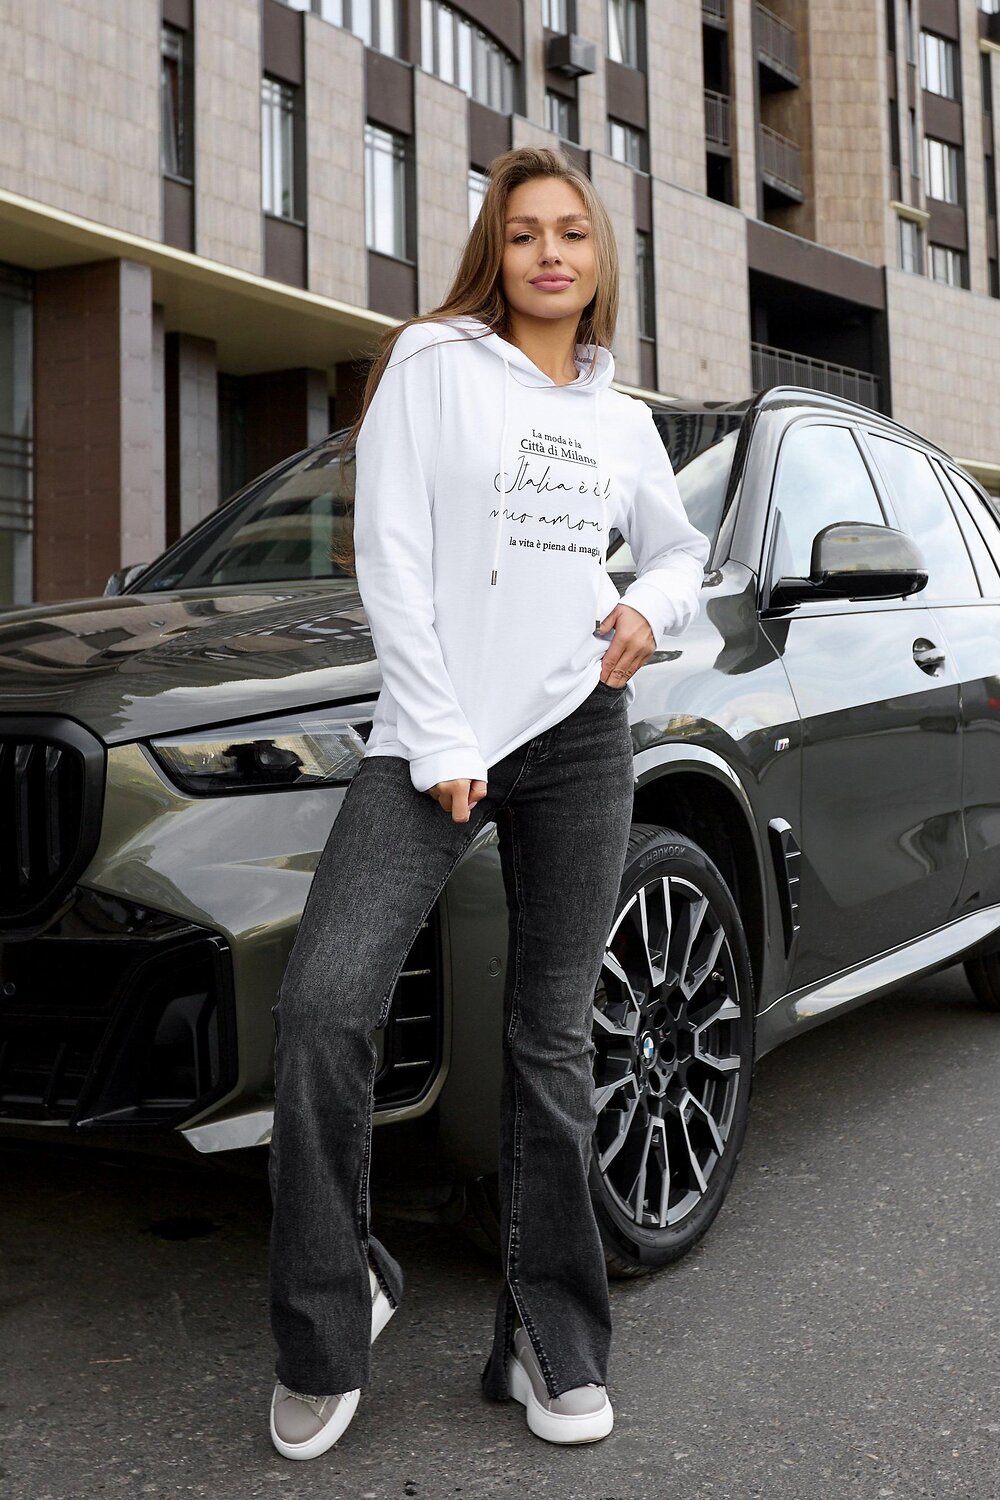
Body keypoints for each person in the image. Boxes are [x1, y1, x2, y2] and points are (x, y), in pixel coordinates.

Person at [266, 145, 710, 1461]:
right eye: (524, 234)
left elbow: (680, 551)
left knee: (552, 1041)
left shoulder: (621, 418)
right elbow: (390, 555)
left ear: (601, 257)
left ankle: (546, 1339)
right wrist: (446, 732)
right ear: (495, 254)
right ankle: (330, 1309)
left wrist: (647, 608)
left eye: (571, 232)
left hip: (578, 733)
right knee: (324, 1007)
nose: (549, 254)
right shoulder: (432, 363)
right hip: (433, 738)